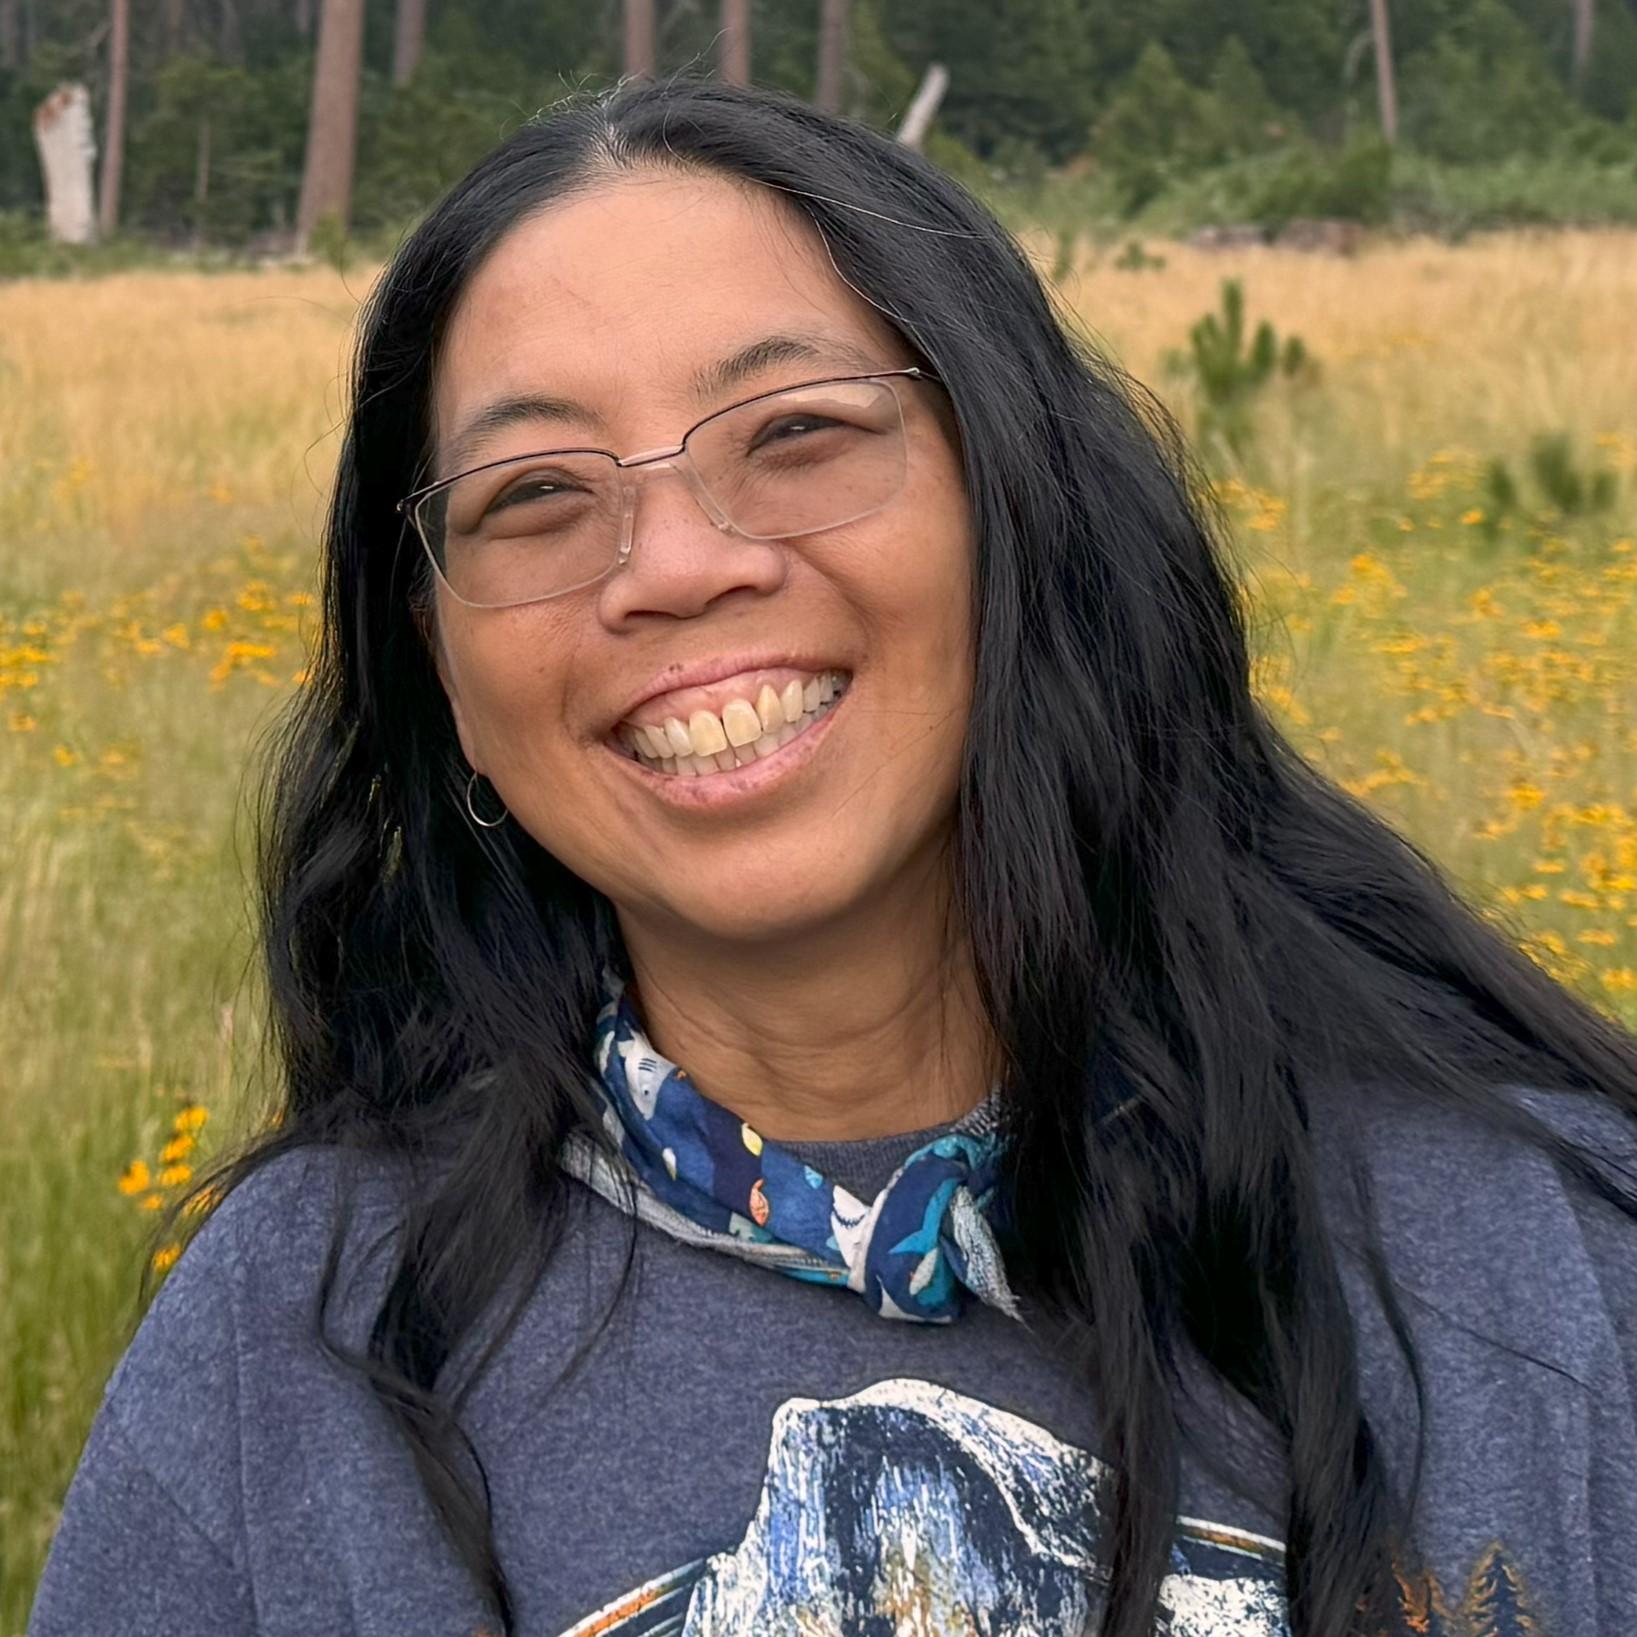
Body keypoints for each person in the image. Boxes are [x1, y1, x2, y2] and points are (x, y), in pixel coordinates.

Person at [27, 76, 1637, 1637]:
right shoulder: (291, 1343)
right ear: (441, 667)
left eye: (795, 431)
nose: (674, 564)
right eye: (534, 495)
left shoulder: (1537, 1254)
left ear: (1019, 500)